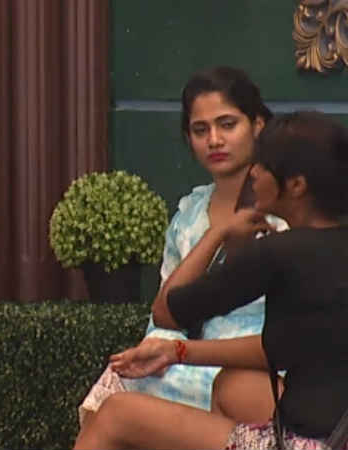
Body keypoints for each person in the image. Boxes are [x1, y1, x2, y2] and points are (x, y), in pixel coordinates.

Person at [74, 110, 348, 449]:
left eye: (263, 165)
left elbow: (168, 312)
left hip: (304, 443)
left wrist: (217, 233)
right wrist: (178, 352)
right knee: (233, 385)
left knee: (117, 413)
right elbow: (283, 346)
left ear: (296, 185)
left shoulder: (279, 252)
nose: (254, 173)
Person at [79, 66, 286, 427]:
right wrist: (157, 346)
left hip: (258, 368)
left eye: (227, 124)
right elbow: (166, 313)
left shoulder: (284, 212)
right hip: (189, 357)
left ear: (257, 125)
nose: (214, 140)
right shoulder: (189, 215)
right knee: (124, 379)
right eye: (200, 130)